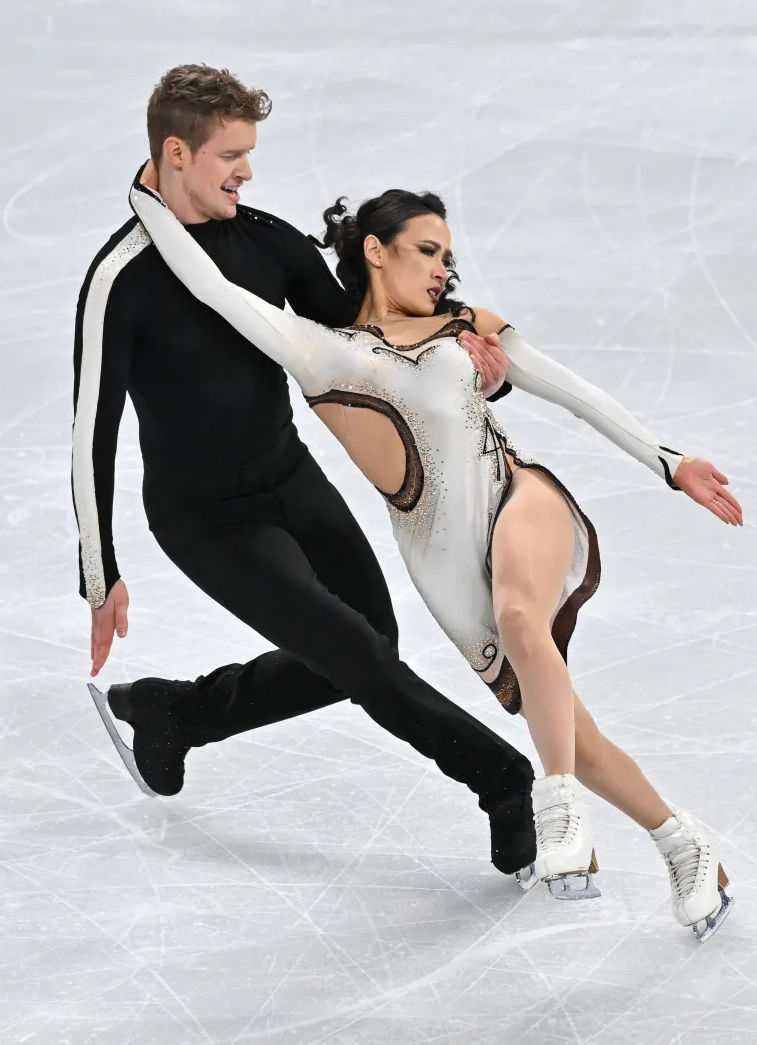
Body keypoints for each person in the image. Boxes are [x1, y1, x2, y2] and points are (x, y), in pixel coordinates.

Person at [125, 177, 742, 942]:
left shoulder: (466, 329)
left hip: (519, 498)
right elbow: (214, 288)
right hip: (441, 561)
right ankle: (684, 843)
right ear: (375, 252)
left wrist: (667, 459)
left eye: (448, 256)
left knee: (524, 615)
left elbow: (572, 393)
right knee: (570, 729)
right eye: (426, 250)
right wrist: (146, 199)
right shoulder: (321, 355)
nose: (443, 269)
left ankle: (557, 812)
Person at [70, 64, 539, 881]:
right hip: (206, 520)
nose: (247, 173)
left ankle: (176, 712)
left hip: (290, 481)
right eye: (231, 157)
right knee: (355, 652)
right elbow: (90, 432)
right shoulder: (123, 281)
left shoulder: (266, 241)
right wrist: (99, 572)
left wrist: (468, 358)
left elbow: (363, 340)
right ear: (176, 153)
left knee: (368, 645)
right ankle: (502, 779)